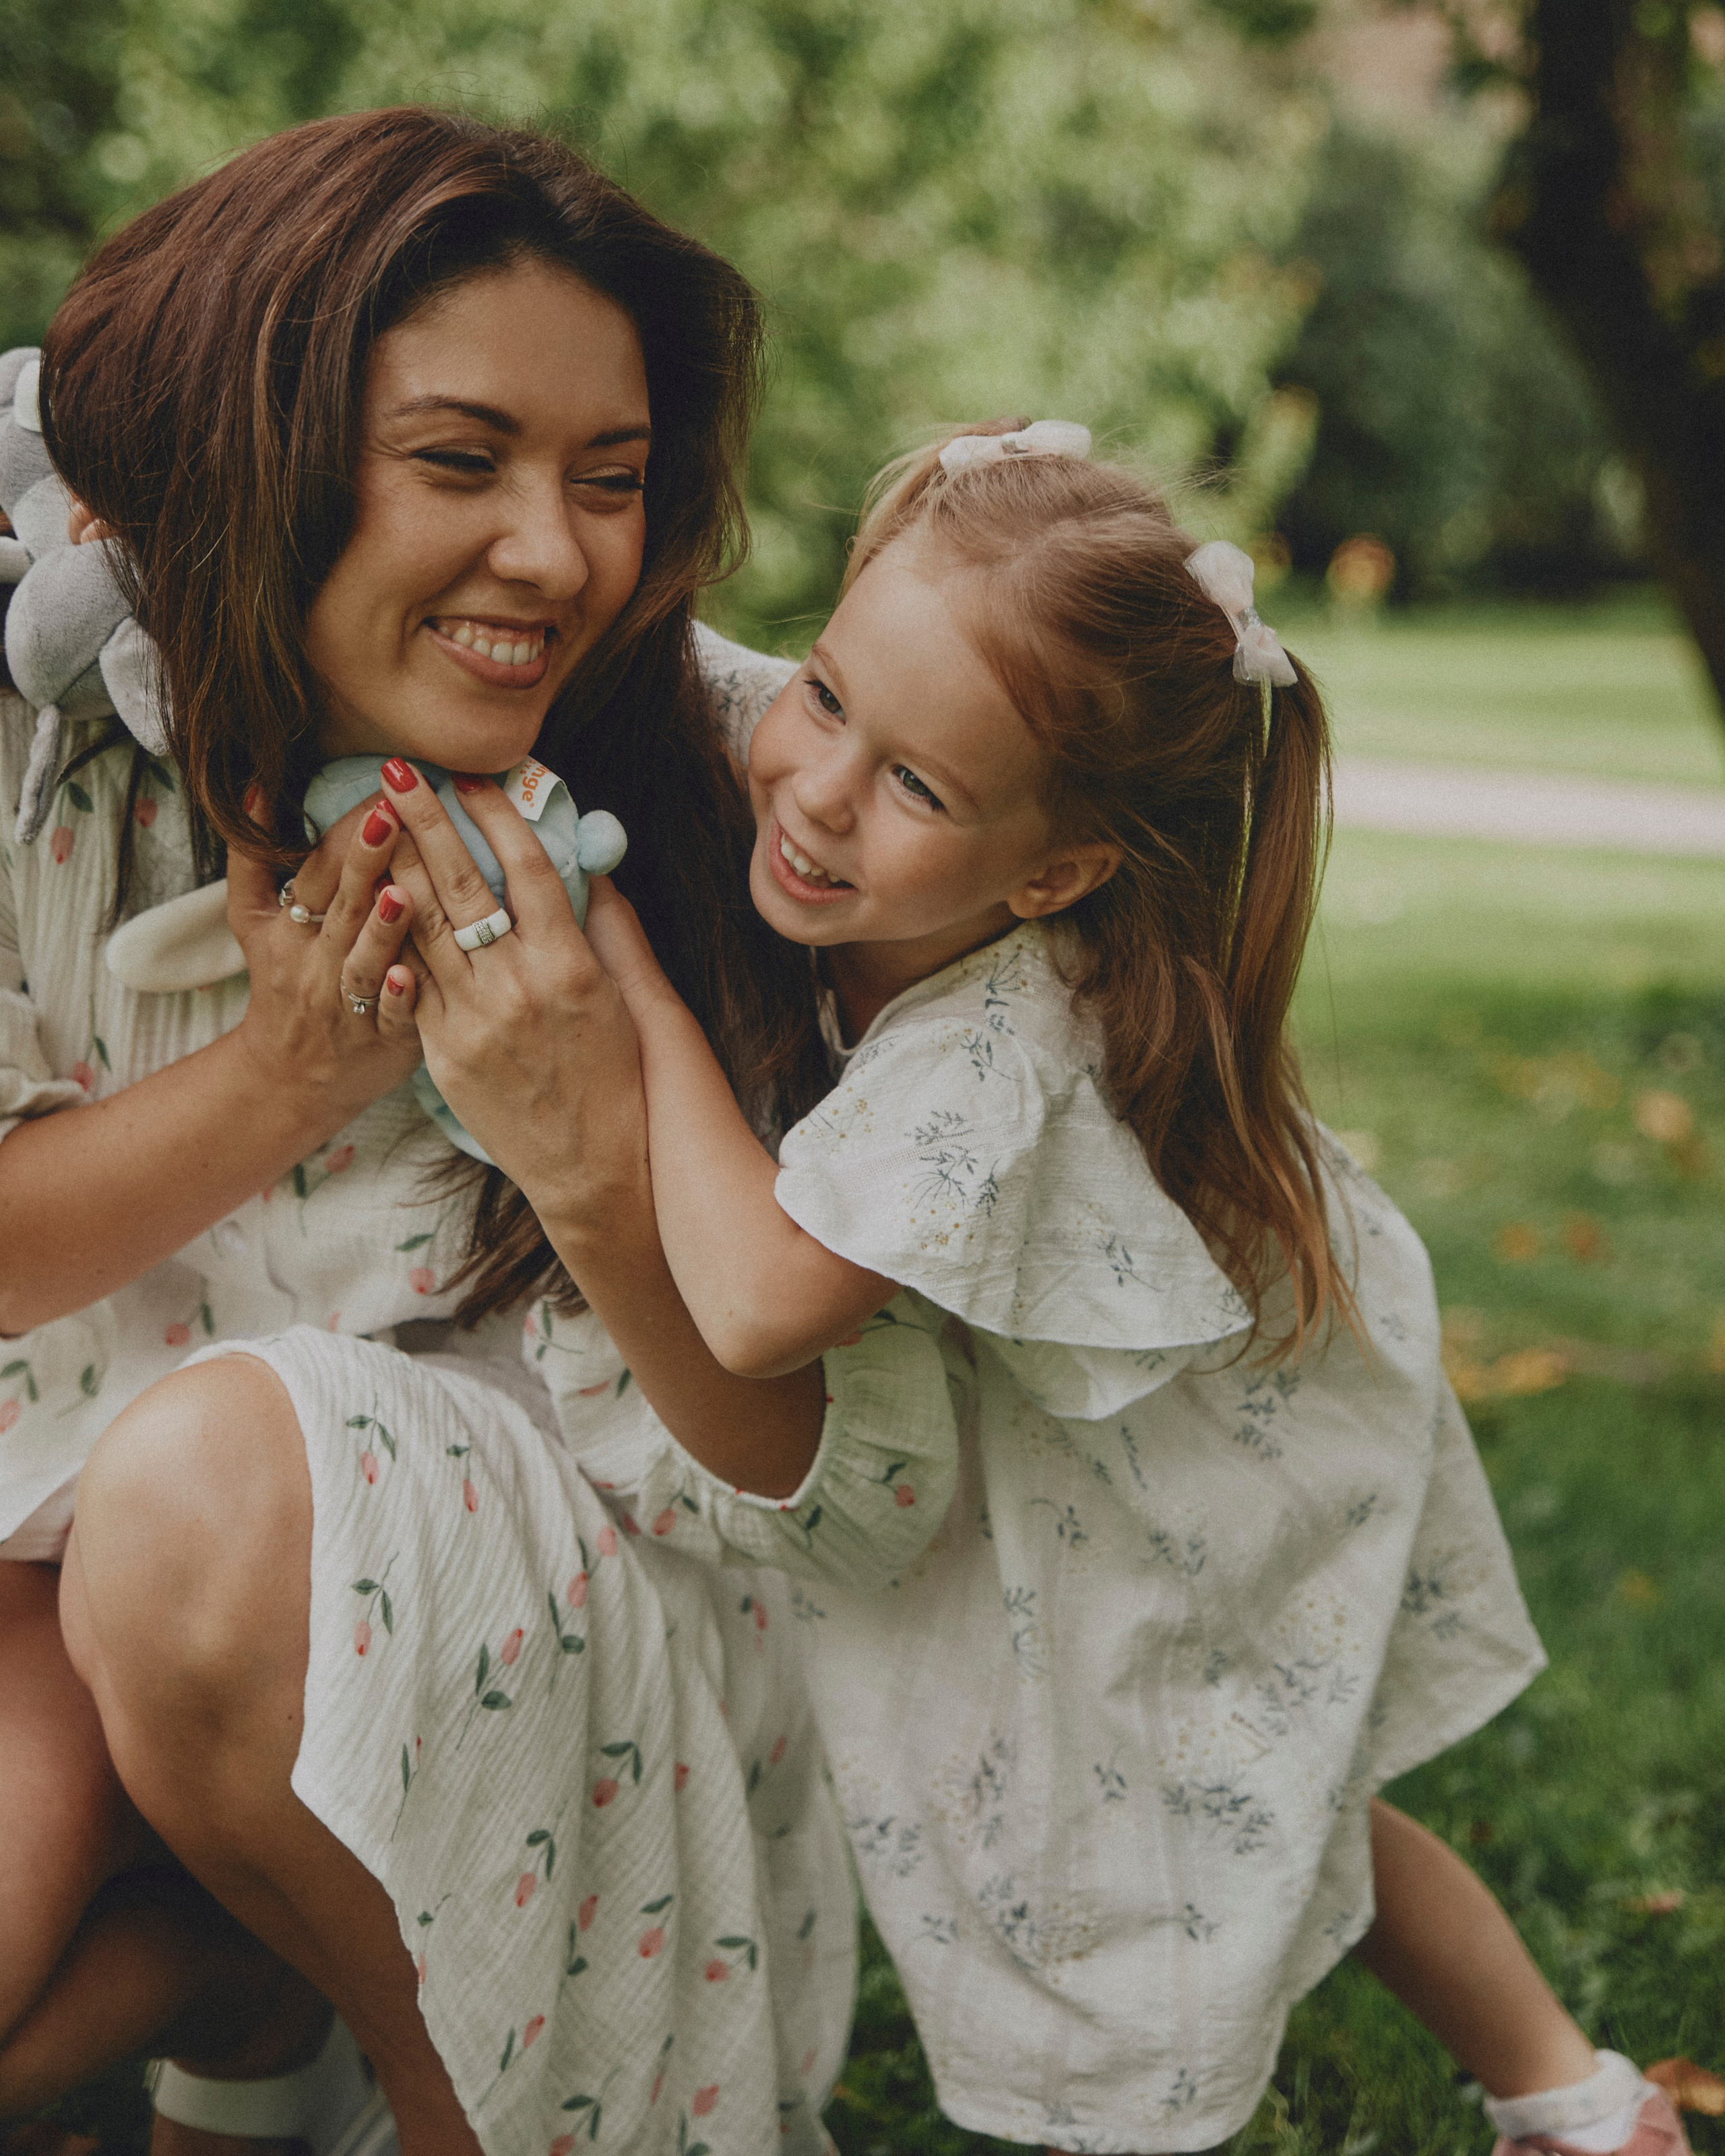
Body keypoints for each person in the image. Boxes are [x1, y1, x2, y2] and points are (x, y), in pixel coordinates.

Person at [0, 106, 965, 2156]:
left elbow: (857, 1487)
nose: (557, 555)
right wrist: (287, 1072)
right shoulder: (45, 735)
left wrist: (592, 1160)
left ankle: (454, 2097)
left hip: (557, 1673)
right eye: (461, 462)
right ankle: (246, 1978)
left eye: (608, 482)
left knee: (205, 1487)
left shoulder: (740, 813)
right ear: (246, 454)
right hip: (54, 1571)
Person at [572, 420, 1691, 2156]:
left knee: (1140, 1840)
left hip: (1206, 1452)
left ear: (1055, 872)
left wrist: (628, 1004)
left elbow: (756, 1304)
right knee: (1279, 1794)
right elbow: (677, 685)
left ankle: (1186, 2115)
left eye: (918, 787)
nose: (815, 788)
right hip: (1141, 1413)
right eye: (826, 696)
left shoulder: (1005, 1047)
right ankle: (1580, 2100)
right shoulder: (843, 753)